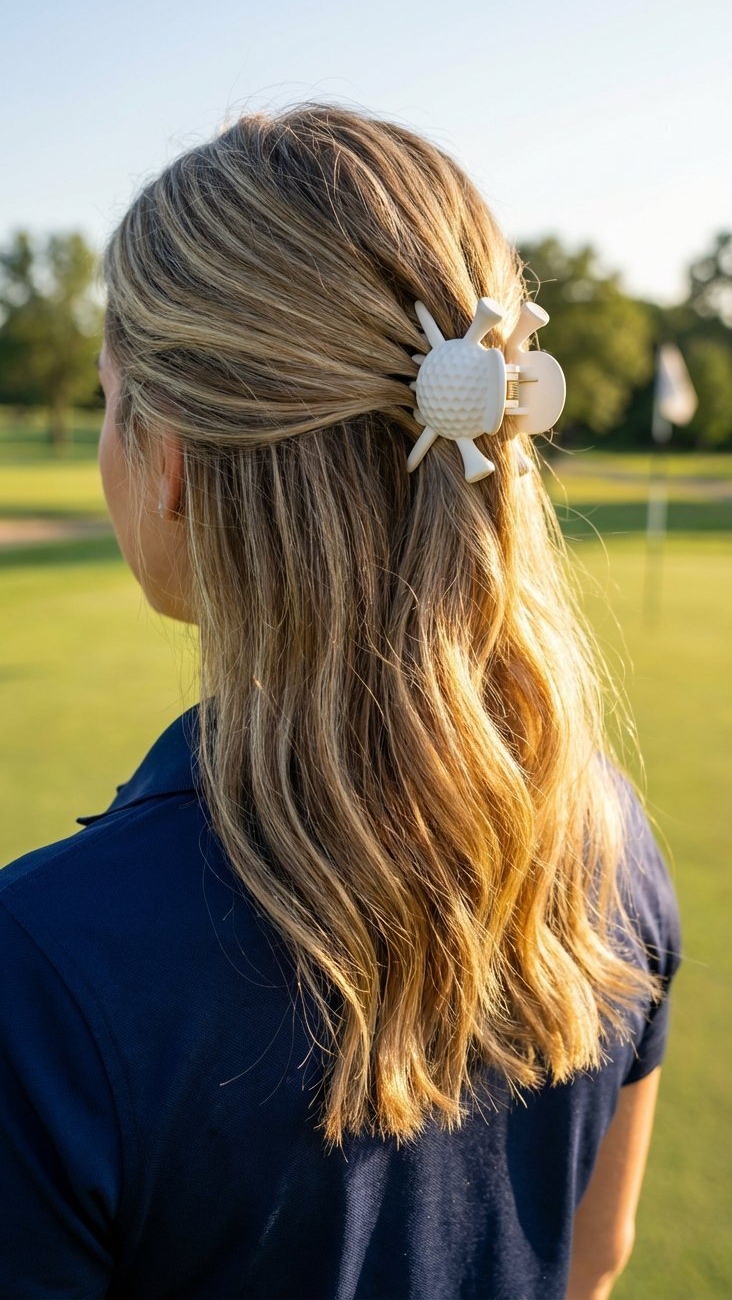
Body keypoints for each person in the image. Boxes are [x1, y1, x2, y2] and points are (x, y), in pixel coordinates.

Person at [0, 102, 682, 1300]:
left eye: (116, 398)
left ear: (168, 461)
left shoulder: (44, 972)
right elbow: (595, 1253)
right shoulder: (609, 831)